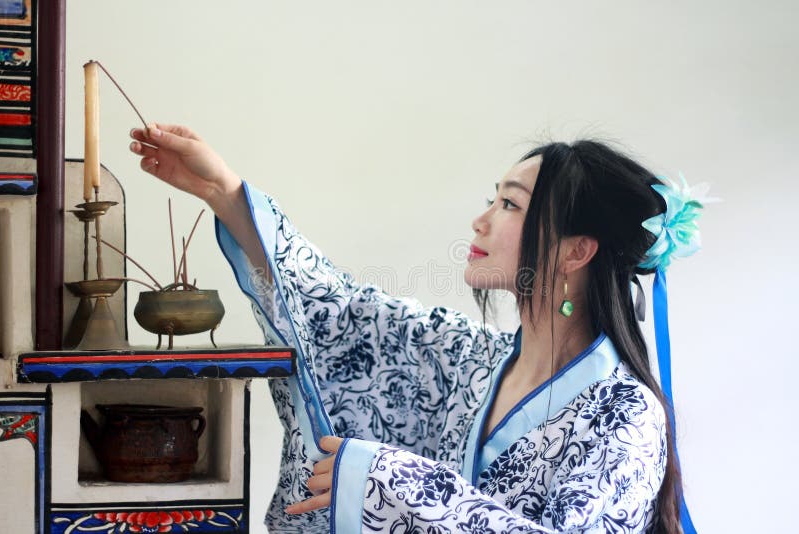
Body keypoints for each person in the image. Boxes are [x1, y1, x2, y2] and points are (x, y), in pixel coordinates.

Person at [129, 124, 703, 533]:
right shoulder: (470, 359)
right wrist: (223, 192)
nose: (480, 220)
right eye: (492, 199)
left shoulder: (625, 414)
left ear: (577, 250)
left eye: (510, 205)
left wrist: (396, 483)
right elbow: (341, 315)